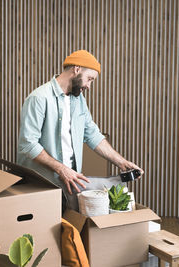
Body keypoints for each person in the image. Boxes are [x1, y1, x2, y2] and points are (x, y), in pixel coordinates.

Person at [16, 50, 144, 212]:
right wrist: (62, 169)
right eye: (89, 79)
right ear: (76, 69)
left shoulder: (78, 99)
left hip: (69, 184)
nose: (89, 86)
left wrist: (122, 162)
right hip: (41, 186)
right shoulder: (39, 98)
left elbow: (92, 134)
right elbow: (28, 144)